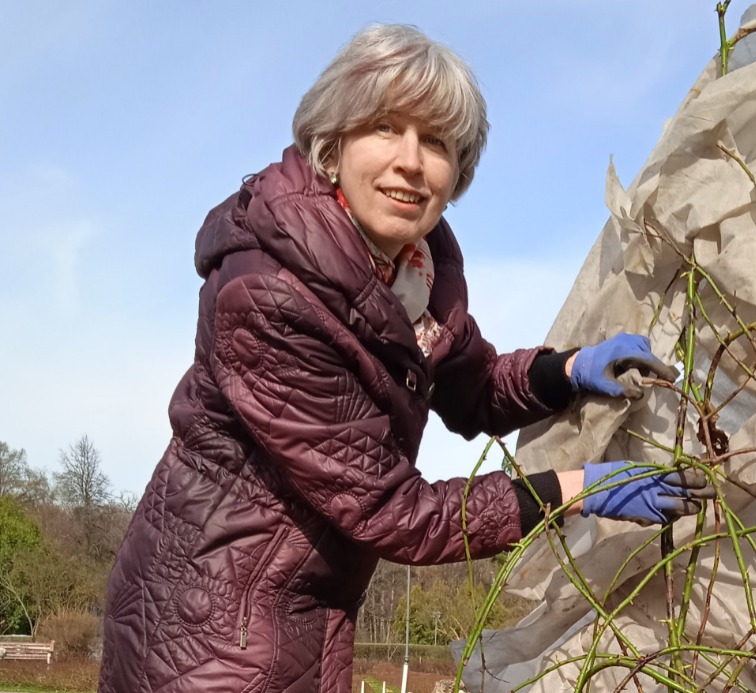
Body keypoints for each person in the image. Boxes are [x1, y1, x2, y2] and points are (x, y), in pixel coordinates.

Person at [98, 24, 712, 693]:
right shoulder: (269, 295)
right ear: (331, 145)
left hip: (297, 614)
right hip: (213, 632)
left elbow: (473, 383)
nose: (412, 161)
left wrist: (570, 369)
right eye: (385, 127)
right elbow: (397, 511)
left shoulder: (412, 271)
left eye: (438, 141)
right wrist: (583, 489)